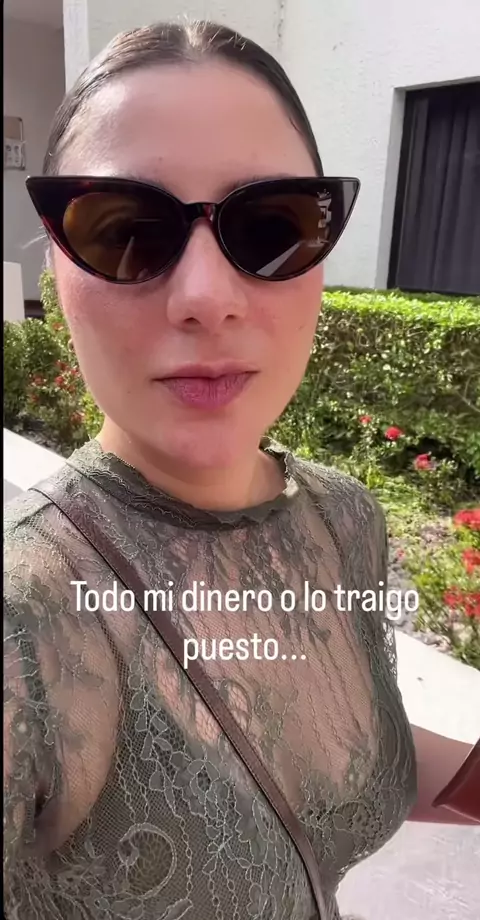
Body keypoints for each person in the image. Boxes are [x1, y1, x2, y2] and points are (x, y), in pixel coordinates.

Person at [4, 19, 476, 920]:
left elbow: (331, 754)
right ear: (56, 267)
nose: (206, 298)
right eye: (125, 231)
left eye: (270, 226)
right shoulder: (24, 615)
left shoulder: (341, 519)